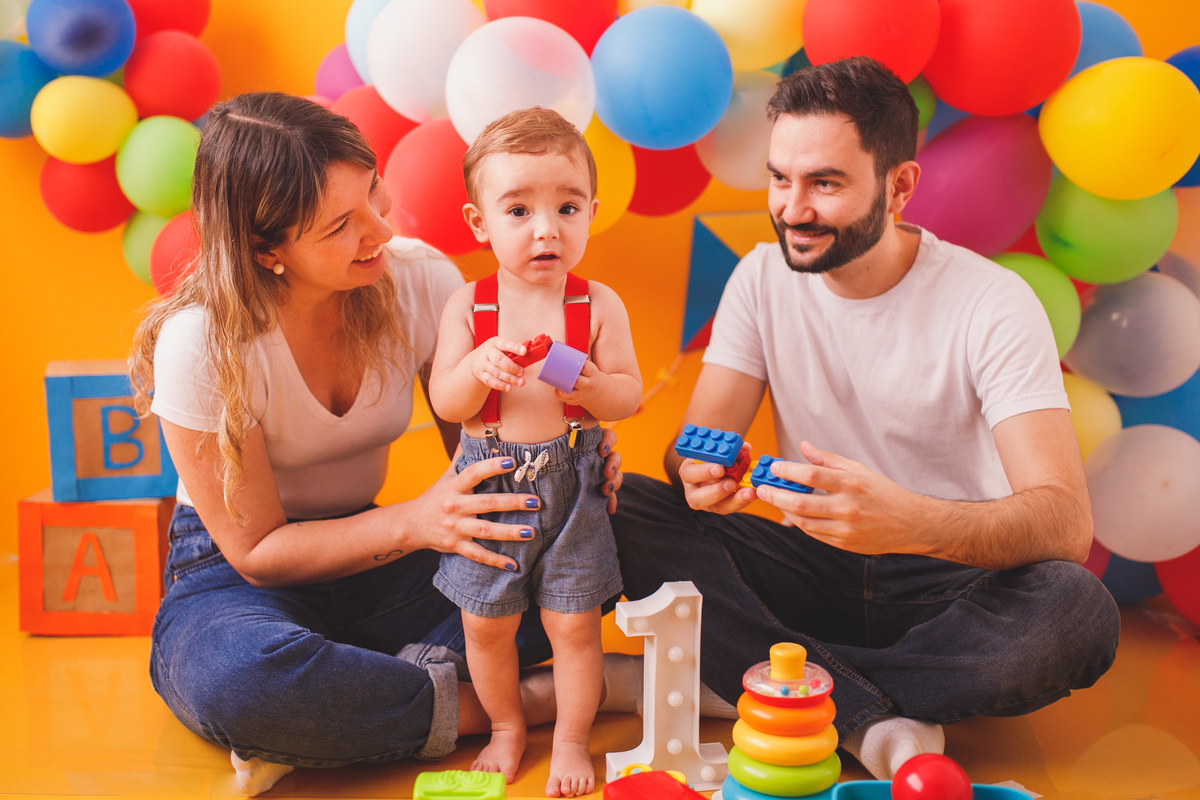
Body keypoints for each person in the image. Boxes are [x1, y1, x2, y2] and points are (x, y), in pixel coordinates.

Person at [606, 57, 1121, 780]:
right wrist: (698, 473)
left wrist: (907, 521)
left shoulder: (993, 303)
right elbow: (692, 445)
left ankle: (756, 683)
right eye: (780, 178)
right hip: (807, 566)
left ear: (899, 186)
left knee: (1077, 616)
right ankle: (869, 719)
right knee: (615, 502)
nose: (791, 207)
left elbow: (1065, 525)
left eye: (825, 183)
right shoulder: (760, 277)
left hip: (950, 584)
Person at [128, 93, 624, 797]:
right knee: (242, 679)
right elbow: (258, 553)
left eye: (372, 195)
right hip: (238, 578)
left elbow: (491, 446)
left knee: (616, 529)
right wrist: (418, 522)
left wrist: (569, 459)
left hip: (388, 563)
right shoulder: (204, 341)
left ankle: (349, 714)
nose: (379, 230)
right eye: (340, 226)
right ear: (266, 250)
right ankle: (522, 703)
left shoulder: (419, 278)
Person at [428, 108, 642, 797]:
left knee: (573, 625)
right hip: (491, 485)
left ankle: (572, 740)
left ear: (591, 213)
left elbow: (627, 396)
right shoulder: (470, 308)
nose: (546, 228)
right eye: (518, 210)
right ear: (479, 223)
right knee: (486, 627)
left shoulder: (598, 304)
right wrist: (476, 370)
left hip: (574, 487)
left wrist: (593, 383)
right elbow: (446, 403)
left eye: (566, 207)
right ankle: (506, 728)